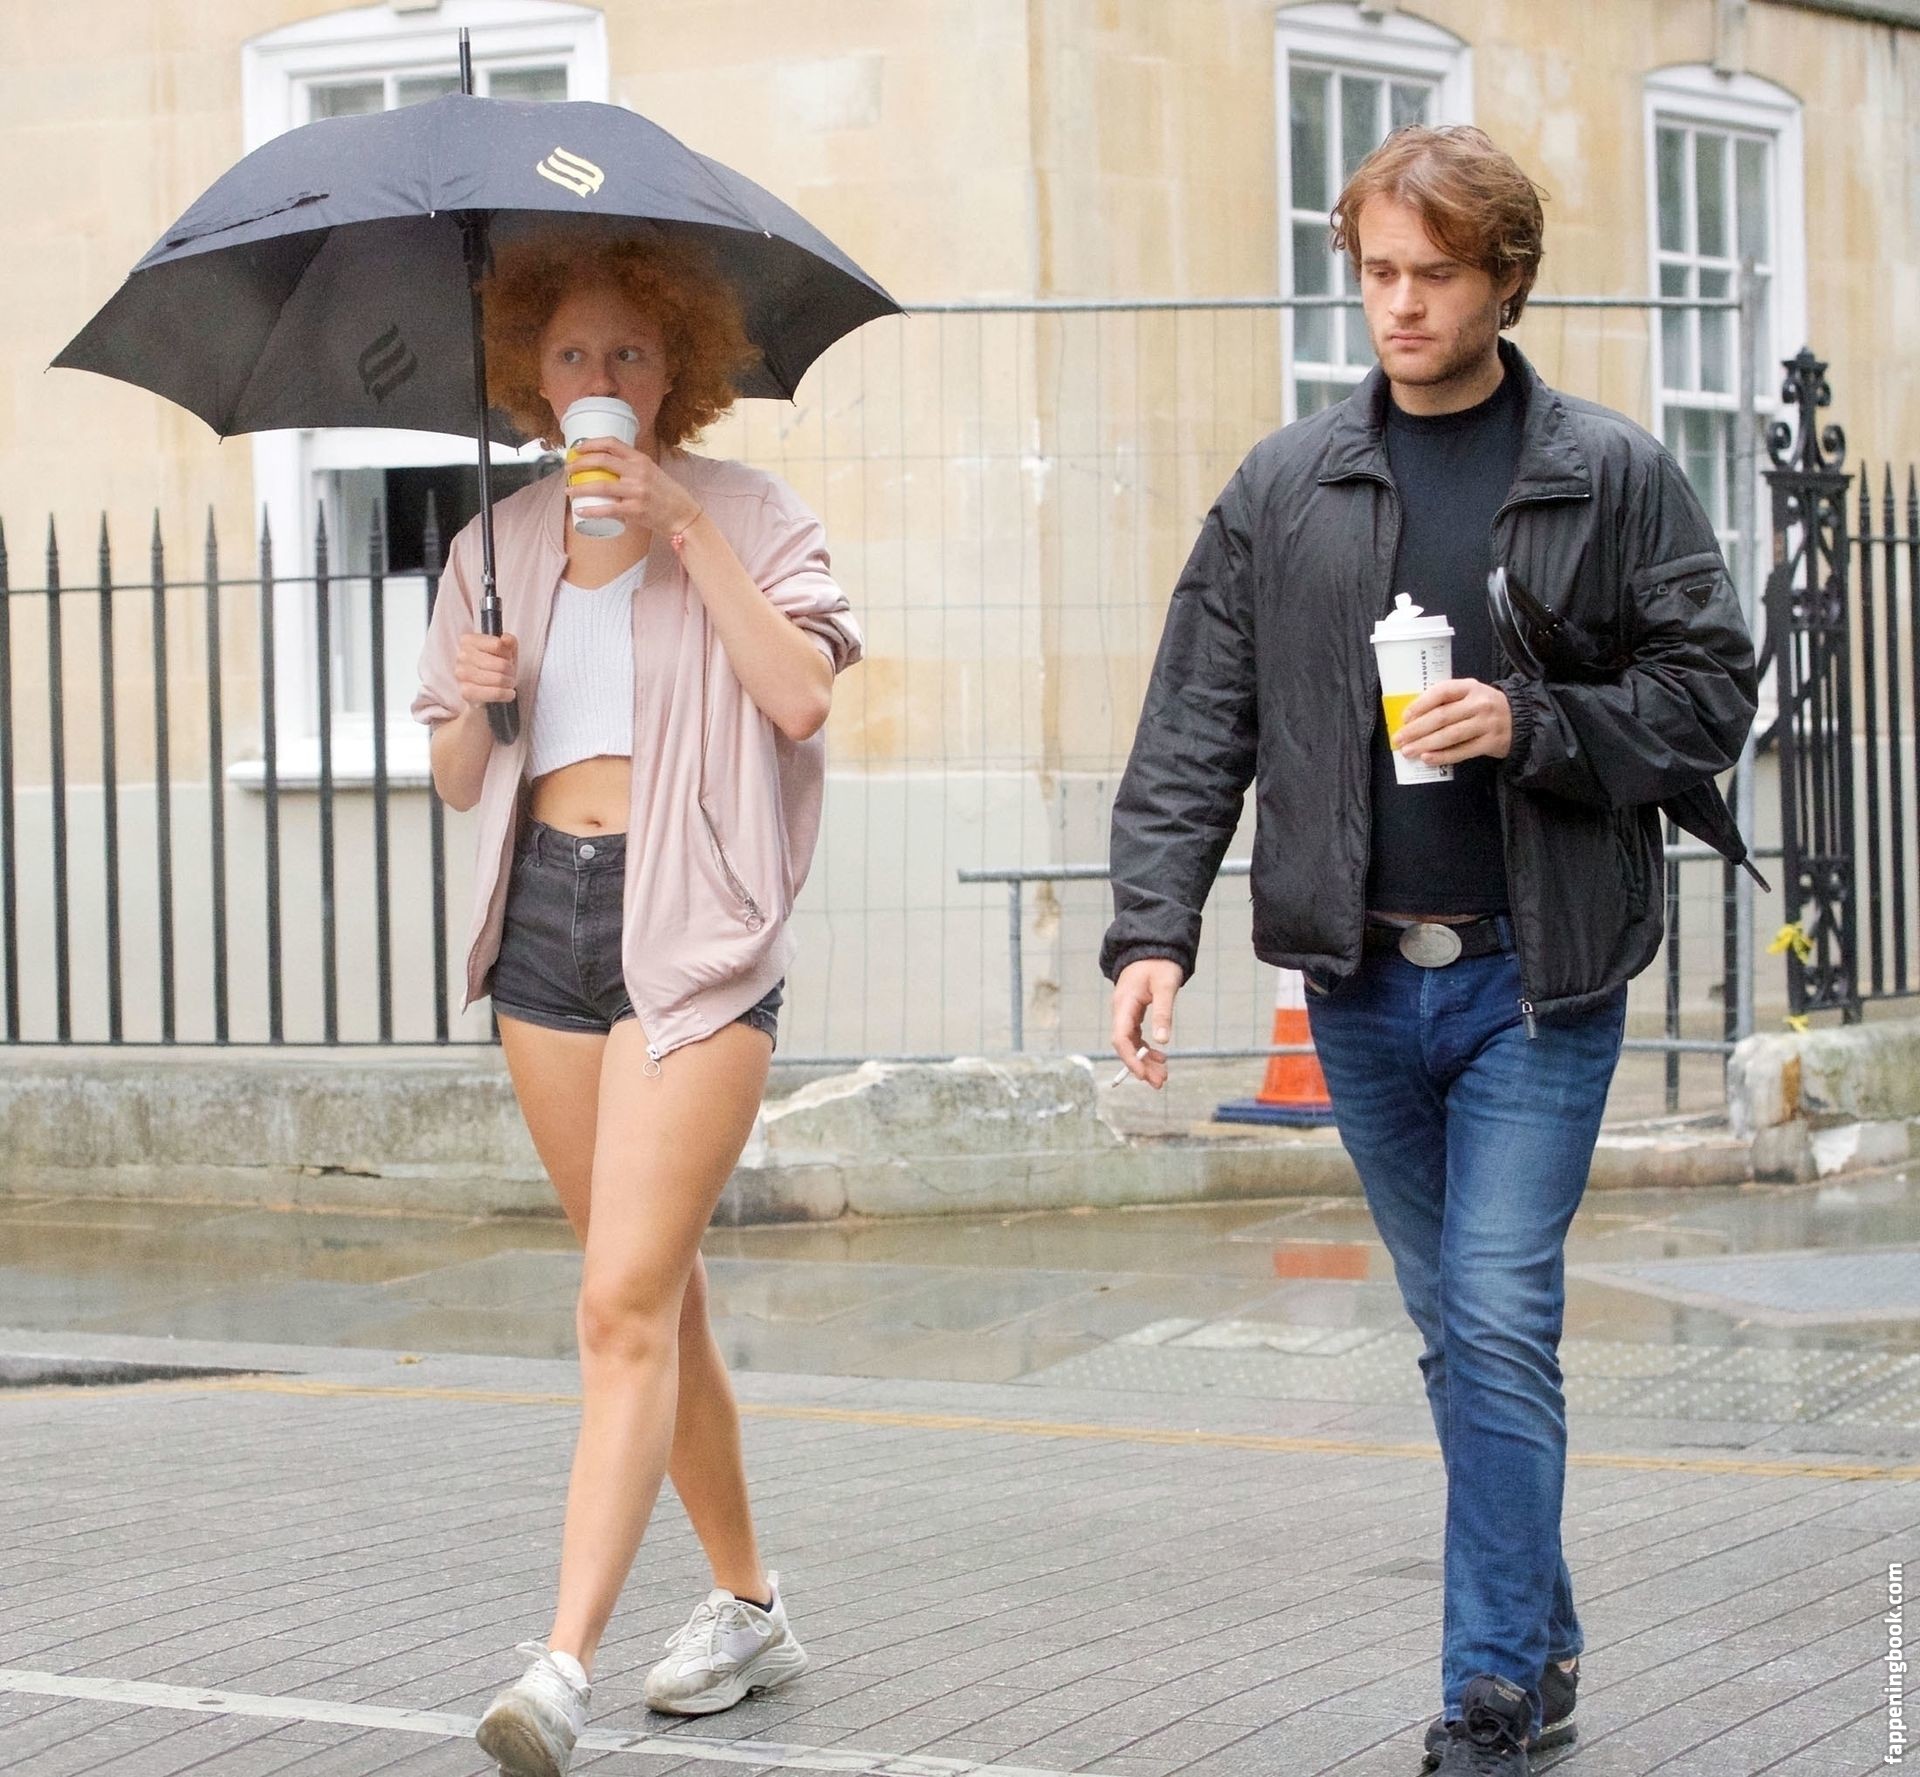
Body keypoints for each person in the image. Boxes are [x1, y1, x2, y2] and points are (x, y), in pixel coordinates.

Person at [1101, 126, 1755, 1776]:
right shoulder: (1288, 485)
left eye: (1435, 274)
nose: (1399, 303)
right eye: (1378, 272)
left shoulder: (1609, 472)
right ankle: (1540, 1634)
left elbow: (1709, 695)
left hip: (1540, 976)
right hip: (1362, 983)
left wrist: (1531, 722)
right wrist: (1153, 929)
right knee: (1459, 1333)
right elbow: (1197, 717)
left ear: (1506, 281)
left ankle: (1490, 1689)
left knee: (1498, 1314)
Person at [411, 234, 862, 1777]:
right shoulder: (494, 543)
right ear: (531, 382)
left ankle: (561, 1667)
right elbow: (456, 774)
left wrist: (685, 530)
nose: (598, 379)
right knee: (657, 1293)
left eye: (629, 353)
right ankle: (748, 1602)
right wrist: (477, 696)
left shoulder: (752, 514)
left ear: (678, 368)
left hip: (699, 930)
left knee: (615, 1303)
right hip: (543, 923)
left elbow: (800, 696)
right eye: (570, 357)